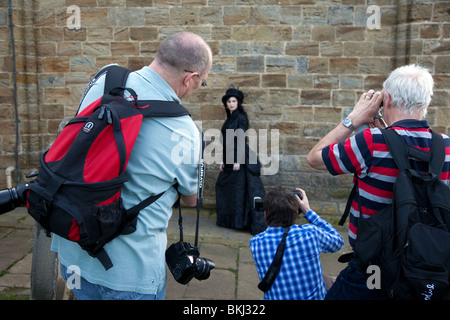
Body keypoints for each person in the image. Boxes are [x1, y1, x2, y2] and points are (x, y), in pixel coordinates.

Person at [51, 32, 213, 300]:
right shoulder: (185, 132)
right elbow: (191, 199)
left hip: (73, 249)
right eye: (201, 83)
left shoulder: (106, 77)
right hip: (130, 274)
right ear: (189, 78)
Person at [307, 64, 450, 300]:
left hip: (372, 269)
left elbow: (315, 157)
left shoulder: (371, 142)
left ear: (387, 99)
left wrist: (354, 118)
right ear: (426, 102)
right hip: (423, 267)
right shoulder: (445, 146)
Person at [249, 187, 344, 300]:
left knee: (322, 278)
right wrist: (308, 211)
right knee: (327, 281)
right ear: (296, 213)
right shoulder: (310, 233)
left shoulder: (255, 243)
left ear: (265, 214)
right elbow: (338, 241)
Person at [215, 87, 266, 234]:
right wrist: (223, 160)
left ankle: (240, 222)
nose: (231, 104)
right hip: (229, 157)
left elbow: (241, 139)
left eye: (233, 101)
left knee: (239, 190)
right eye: (229, 101)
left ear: (238, 103)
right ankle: (230, 221)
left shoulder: (241, 118)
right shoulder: (230, 118)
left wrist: (238, 160)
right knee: (226, 187)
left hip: (239, 158)